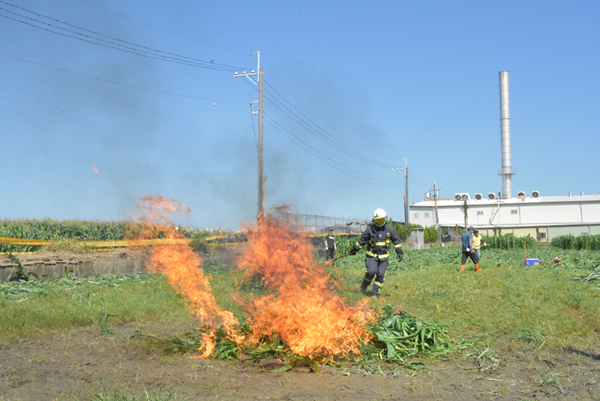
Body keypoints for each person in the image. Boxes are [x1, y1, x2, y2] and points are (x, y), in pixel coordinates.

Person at [348, 208, 403, 297]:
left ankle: (374, 293)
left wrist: (399, 252)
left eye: (381, 220)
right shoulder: (370, 229)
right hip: (371, 256)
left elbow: (396, 241)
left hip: (384, 258)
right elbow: (362, 240)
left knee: (381, 274)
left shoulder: (390, 230)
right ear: (374, 220)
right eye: (378, 220)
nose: (380, 222)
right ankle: (364, 286)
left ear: (385, 218)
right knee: (371, 272)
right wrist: (355, 249)